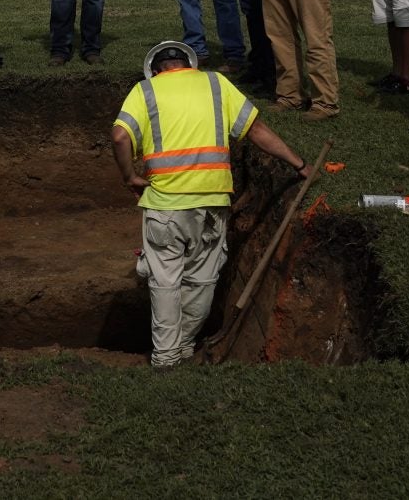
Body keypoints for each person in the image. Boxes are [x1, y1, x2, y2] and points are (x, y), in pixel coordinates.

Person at [111, 41, 313, 368]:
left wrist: (129, 178)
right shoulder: (217, 84)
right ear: (188, 64)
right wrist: (299, 164)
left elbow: (120, 137)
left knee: (165, 285)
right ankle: (186, 348)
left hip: (165, 207)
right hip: (212, 206)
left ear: (156, 70)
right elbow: (256, 130)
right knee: (201, 282)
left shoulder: (145, 91)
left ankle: (165, 360)